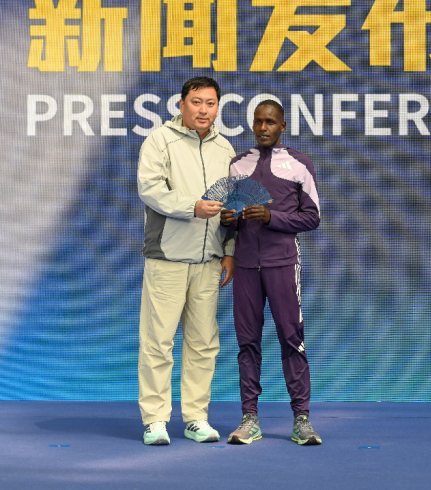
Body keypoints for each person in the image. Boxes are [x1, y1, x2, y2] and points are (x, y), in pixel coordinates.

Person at [136, 76, 236, 446]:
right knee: (157, 342)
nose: (203, 110)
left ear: (218, 108)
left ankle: (196, 418)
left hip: (209, 260)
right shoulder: (160, 140)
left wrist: (229, 251)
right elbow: (150, 189)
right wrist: (192, 207)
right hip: (168, 257)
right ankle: (155, 420)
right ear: (181, 105)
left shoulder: (225, 149)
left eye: (210, 103)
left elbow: (232, 207)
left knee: (203, 343)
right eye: (196, 102)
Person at [221, 99, 323, 445]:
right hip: (246, 266)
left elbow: (312, 217)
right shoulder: (238, 164)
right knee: (247, 343)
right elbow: (230, 217)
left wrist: (271, 217)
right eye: (258, 122)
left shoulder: (299, 164)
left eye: (270, 122)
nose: (263, 128)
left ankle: (302, 419)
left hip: (283, 264)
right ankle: (249, 419)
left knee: (292, 339)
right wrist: (228, 220)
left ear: (282, 126)